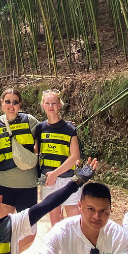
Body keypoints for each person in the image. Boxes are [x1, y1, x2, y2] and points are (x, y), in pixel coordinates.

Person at [0, 87, 41, 251]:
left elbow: (46, 135)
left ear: (20, 104)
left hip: (27, 184)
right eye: (7, 101)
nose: (11, 105)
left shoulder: (30, 121)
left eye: (15, 102)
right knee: (7, 230)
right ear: (1, 103)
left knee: (29, 232)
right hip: (4, 183)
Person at [35, 89, 81, 226]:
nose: (51, 106)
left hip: (68, 178)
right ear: (43, 105)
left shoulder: (69, 128)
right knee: (55, 222)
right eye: (47, 103)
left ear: (59, 105)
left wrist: (55, 174)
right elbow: (37, 150)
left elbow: (75, 156)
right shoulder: (40, 128)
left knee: (74, 220)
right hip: (47, 178)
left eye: (54, 103)